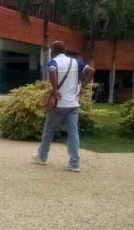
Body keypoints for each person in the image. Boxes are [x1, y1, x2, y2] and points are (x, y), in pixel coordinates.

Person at [32, 40, 95, 172]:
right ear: (64, 50)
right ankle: (74, 164)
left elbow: (51, 69)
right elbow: (91, 70)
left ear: (52, 50)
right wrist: (82, 86)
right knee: (73, 133)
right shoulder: (74, 62)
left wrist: (55, 91)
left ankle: (42, 157)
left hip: (58, 104)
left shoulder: (54, 61)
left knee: (49, 130)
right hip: (73, 104)